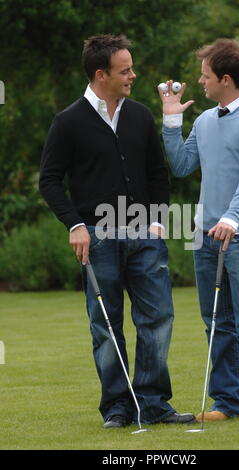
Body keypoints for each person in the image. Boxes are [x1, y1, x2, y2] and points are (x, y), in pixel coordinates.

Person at [39, 34, 195, 428]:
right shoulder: (68, 121)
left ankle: (154, 404)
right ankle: (118, 407)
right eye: (125, 70)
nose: (133, 75)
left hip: (146, 235)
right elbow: (50, 181)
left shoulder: (141, 115)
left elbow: (158, 174)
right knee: (106, 325)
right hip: (97, 236)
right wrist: (75, 224)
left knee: (158, 319)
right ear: (100, 74)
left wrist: (158, 222)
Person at [159, 38, 239, 424]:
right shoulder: (205, 120)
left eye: (206, 75)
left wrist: (231, 217)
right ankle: (228, 402)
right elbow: (181, 164)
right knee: (217, 322)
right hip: (205, 237)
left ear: (225, 79)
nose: (200, 81)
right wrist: (170, 120)